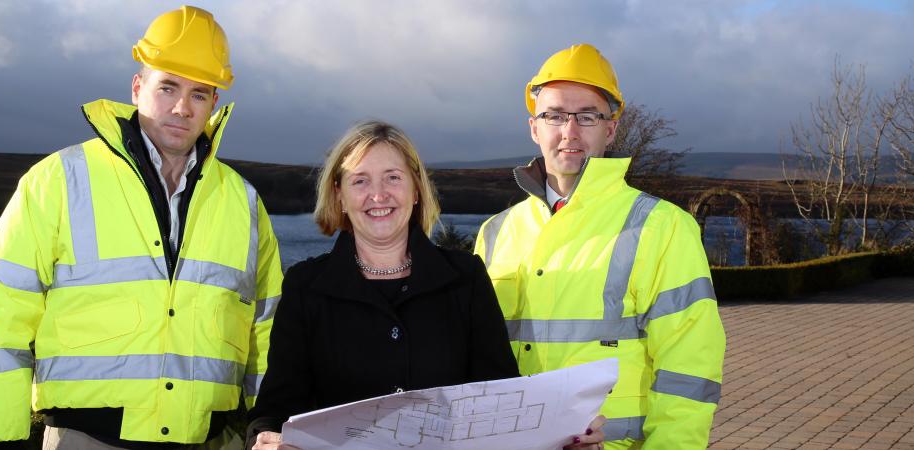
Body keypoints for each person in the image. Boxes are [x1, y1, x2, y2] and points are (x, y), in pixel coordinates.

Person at [0, 6, 283, 449]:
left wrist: (266, 422)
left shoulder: (243, 201)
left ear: (214, 104)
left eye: (198, 94)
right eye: (167, 86)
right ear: (137, 88)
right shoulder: (59, 179)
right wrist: (1, 438)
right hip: (88, 438)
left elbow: (267, 325)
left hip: (213, 439)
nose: (181, 107)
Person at [244, 121, 605, 450]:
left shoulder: (465, 278)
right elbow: (275, 409)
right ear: (338, 194)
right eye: (360, 180)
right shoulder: (306, 286)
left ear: (416, 190)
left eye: (393, 178)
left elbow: (501, 403)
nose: (378, 194)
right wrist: (264, 441)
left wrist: (565, 442)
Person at [474, 44, 726, 450]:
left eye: (587, 116)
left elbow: (689, 370)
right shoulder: (495, 232)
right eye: (554, 115)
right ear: (534, 128)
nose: (569, 132)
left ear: (610, 129)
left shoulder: (663, 227)